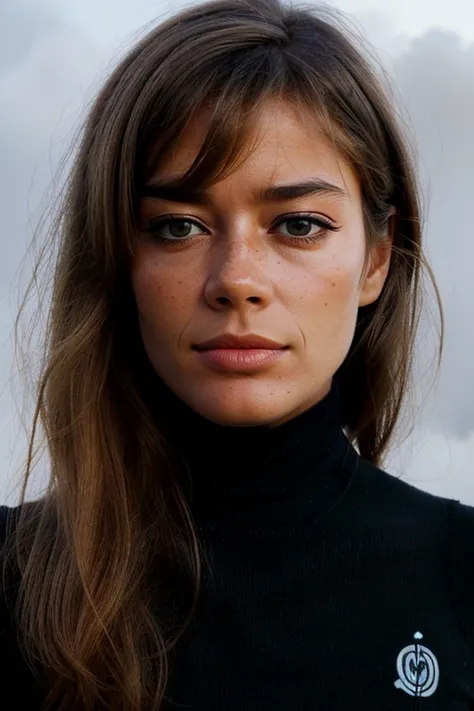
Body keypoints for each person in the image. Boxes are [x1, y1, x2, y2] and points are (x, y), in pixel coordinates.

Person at [1, 0, 473, 708]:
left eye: (298, 224)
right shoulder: (13, 581)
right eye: (179, 226)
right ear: (118, 258)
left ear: (377, 257)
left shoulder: (460, 574)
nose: (237, 281)